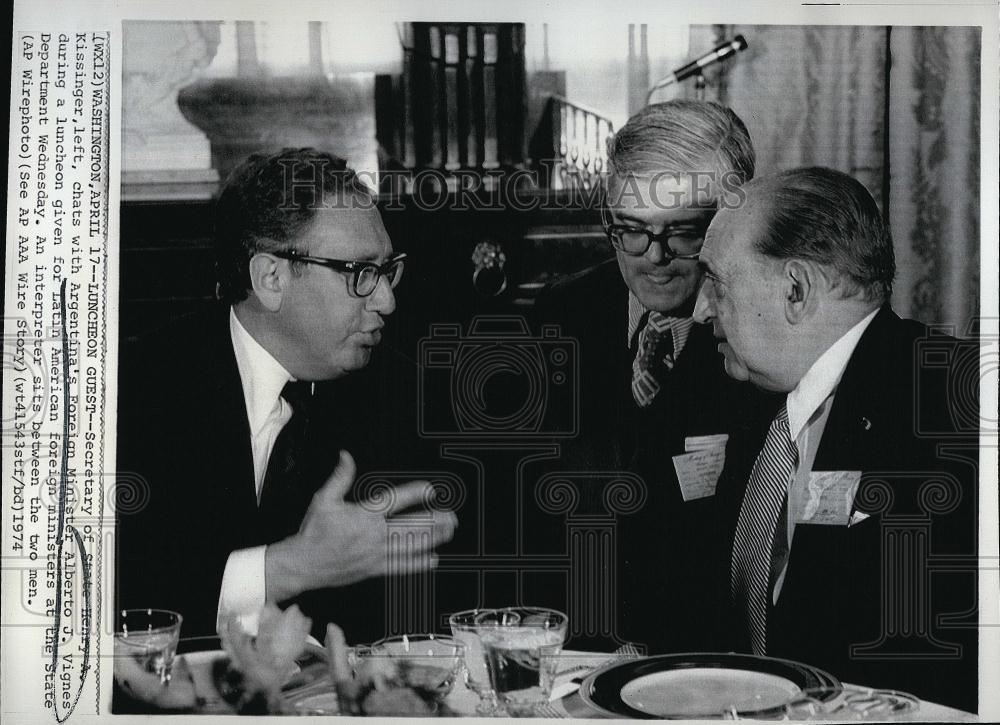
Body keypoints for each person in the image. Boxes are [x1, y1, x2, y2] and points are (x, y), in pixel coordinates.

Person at [116, 148, 457, 642]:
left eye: (388, 270)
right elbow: (109, 599)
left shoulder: (413, 398)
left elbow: (424, 615)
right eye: (360, 273)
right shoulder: (137, 389)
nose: (387, 300)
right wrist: (285, 569)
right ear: (270, 278)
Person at [694, 166, 978, 711]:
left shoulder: (955, 408)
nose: (702, 307)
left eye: (717, 281)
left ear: (796, 290)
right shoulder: (751, 401)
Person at [534, 100, 766, 651]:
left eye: (684, 232)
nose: (655, 258)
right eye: (631, 230)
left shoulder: (764, 332)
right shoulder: (560, 314)